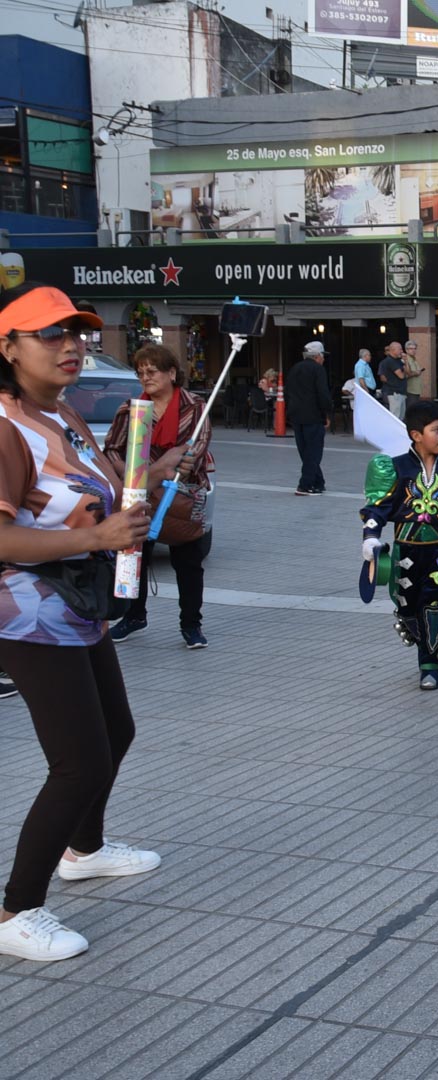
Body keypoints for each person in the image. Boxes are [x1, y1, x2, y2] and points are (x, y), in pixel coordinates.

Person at [0, 283, 160, 962]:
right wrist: (97, 538)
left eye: (78, 333)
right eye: (50, 334)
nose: (71, 346)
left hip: (77, 604)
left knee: (116, 732)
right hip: (27, 612)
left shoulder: (61, 412)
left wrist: (141, 489)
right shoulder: (5, 424)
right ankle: (16, 910)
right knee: (78, 762)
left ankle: (85, 850)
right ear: (8, 347)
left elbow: (90, 491)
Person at [361, 400, 438, 690]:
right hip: (405, 550)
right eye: (436, 430)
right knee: (407, 607)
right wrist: (370, 535)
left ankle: (430, 665)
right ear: (416, 435)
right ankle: (426, 647)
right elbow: (379, 506)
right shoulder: (395, 467)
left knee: (436, 603)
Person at [104, 344, 213, 649]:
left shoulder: (195, 406)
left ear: (171, 373)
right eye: (140, 372)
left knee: (188, 563)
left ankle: (191, 624)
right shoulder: (131, 409)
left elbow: (198, 446)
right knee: (134, 557)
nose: (146, 377)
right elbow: (112, 448)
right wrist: (133, 476)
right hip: (140, 494)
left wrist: (183, 463)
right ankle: (134, 615)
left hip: (181, 495)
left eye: (152, 371)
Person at [285, 340, 332, 496]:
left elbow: (287, 392)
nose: (323, 359)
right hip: (313, 415)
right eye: (322, 356)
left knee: (305, 450)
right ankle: (305, 485)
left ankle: (318, 482)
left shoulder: (294, 368)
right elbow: (322, 393)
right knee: (314, 451)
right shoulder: (318, 370)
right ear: (317, 356)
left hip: (296, 415)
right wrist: (326, 413)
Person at [377, 341, 409, 418]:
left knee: (401, 417)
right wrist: (404, 372)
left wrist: (406, 361)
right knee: (395, 416)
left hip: (401, 392)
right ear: (393, 350)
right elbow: (401, 376)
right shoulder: (390, 361)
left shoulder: (398, 361)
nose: (402, 351)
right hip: (394, 393)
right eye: (400, 349)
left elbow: (408, 372)